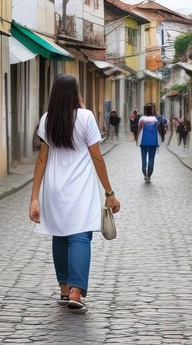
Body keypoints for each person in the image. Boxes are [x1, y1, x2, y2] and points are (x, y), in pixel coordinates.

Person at [29, 74, 120, 314]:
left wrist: (34, 197)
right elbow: (96, 156)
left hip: (53, 187)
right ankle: (76, 291)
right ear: (75, 93)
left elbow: (41, 158)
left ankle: (64, 288)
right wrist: (109, 192)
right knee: (79, 236)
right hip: (79, 187)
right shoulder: (86, 117)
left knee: (59, 235)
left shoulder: (48, 119)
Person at [134, 105, 160, 183]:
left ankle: (145, 175)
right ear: (152, 111)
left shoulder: (142, 119)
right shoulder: (155, 119)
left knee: (144, 159)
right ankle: (149, 176)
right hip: (153, 143)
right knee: (151, 160)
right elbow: (158, 131)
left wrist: (137, 140)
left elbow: (138, 130)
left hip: (143, 143)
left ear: (144, 111)